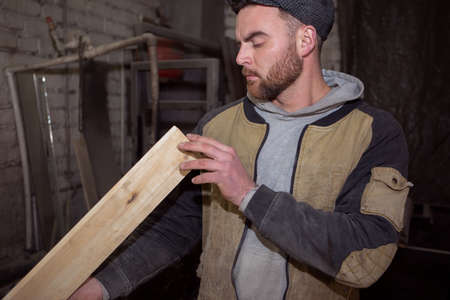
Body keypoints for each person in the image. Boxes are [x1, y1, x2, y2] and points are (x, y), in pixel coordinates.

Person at [70, 0, 411, 299]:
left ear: (305, 40)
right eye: (239, 43)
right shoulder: (218, 126)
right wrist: (102, 286)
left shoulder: (372, 133)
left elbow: (366, 257)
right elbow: (178, 228)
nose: (240, 57)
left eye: (256, 43)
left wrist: (249, 194)